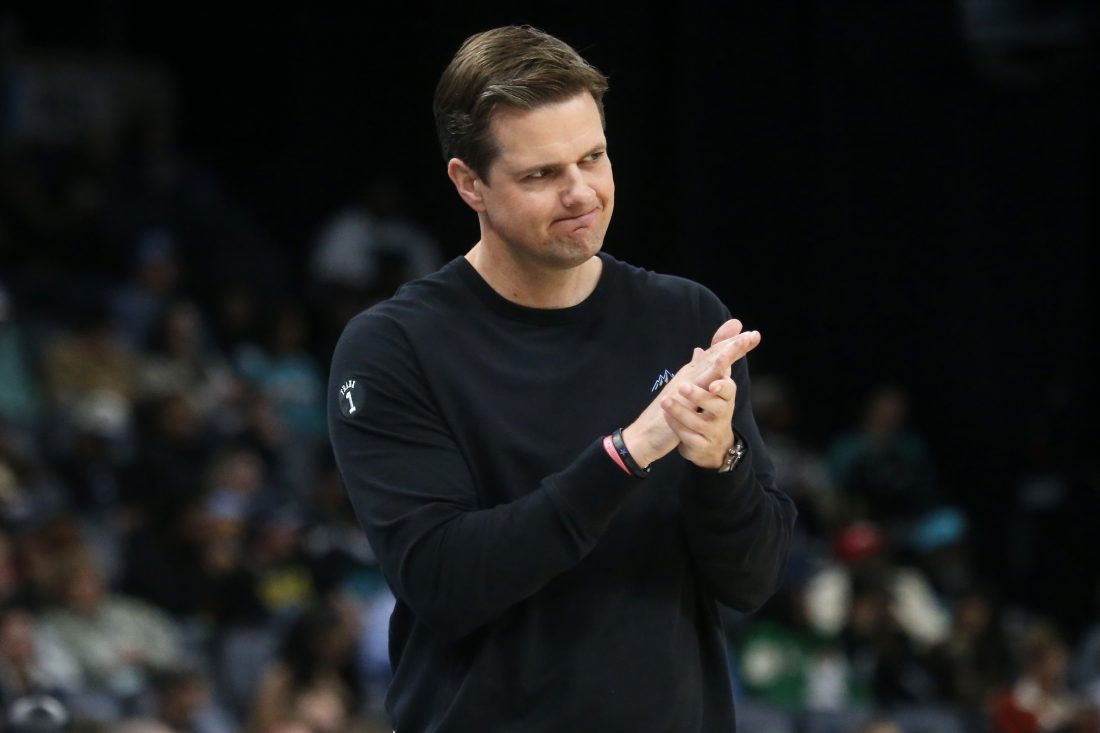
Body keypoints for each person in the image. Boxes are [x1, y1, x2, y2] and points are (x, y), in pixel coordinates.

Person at [327, 25, 796, 732]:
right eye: (542, 174)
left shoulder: (686, 316)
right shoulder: (393, 348)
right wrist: (626, 453)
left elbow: (751, 580)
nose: (582, 192)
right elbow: (445, 582)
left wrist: (719, 459)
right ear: (468, 183)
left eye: (594, 157)